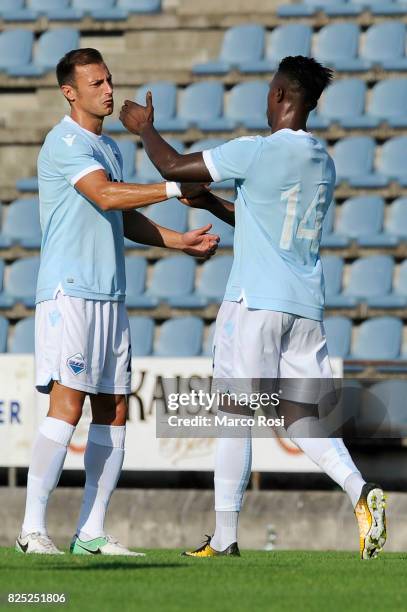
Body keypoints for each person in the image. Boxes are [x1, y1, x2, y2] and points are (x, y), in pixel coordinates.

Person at [119, 55, 387, 560]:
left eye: (269, 91)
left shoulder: (258, 151)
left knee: (233, 415)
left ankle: (225, 539)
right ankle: (360, 489)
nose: (265, 100)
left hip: (255, 303)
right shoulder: (324, 162)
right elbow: (267, 222)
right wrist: (215, 207)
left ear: (283, 95)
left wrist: (145, 129)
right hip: (305, 307)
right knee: (302, 418)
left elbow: (173, 167)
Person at [16, 48, 219, 556]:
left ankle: (90, 533)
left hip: (110, 293)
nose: (109, 90)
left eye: (109, 80)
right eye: (97, 83)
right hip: (71, 292)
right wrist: (174, 185)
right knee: (68, 404)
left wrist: (179, 242)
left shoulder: (109, 148)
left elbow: (120, 217)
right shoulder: (63, 142)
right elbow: (106, 196)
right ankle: (30, 529)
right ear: (70, 91)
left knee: (115, 409)